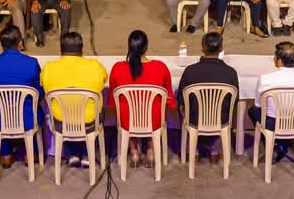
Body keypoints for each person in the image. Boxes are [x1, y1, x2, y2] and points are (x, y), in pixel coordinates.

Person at [108, 30, 177, 169]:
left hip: (127, 122)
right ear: (146, 47)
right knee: (154, 112)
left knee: (127, 113)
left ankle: (134, 151)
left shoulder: (117, 68)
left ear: (129, 47)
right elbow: (170, 101)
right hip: (154, 121)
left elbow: (112, 102)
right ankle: (151, 151)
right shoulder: (161, 67)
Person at [41, 32, 108, 168]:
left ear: (61, 50)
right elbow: (103, 81)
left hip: (61, 122)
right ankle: (87, 153)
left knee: (63, 113)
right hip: (89, 122)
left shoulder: (49, 67)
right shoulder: (94, 66)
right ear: (82, 49)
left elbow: (44, 86)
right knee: (97, 112)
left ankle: (72, 153)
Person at [0, 25, 44, 169]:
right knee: (34, 108)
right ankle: (30, 154)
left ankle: (6, 156)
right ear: (20, 42)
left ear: (1, 43)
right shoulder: (31, 63)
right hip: (27, 118)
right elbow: (39, 91)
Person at [176, 31, 239, 163]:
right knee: (225, 109)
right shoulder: (231, 72)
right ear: (221, 49)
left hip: (194, 119)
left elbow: (181, 100)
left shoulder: (190, 71)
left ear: (202, 49)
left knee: (182, 105)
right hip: (220, 120)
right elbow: (234, 101)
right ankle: (215, 151)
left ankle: (193, 150)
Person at [249, 41, 294, 163]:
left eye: (275, 56)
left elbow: (258, 104)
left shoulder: (265, 79)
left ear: (279, 61)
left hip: (271, 123)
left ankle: (273, 144)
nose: (273, 58)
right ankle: (283, 143)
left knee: (252, 110)